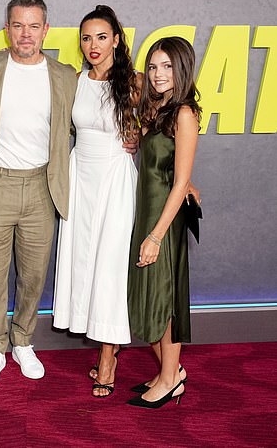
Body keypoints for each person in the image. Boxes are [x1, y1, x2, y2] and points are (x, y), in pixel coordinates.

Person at [0, 0, 77, 387]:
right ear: (7, 29)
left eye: (34, 26)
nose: (26, 33)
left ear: (46, 30)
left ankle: (23, 341)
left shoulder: (65, 75)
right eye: (18, 25)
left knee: (33, 275)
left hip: (41, 185)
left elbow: (84, 122)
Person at [52, 5, 140, 398]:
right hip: (79, 176)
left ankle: (108, 356)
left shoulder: (135, 83)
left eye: (101, 37)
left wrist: (139, 138)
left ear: (116, 40)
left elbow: (169, 124)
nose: (93, 45)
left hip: (115, 177)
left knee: (110, 265)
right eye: (86, 38)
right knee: (82, 261)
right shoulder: (74, 80)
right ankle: (102, 339)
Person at [126, 36, 201, 408]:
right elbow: (131, 74)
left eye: (167, 66)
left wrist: (156, 236)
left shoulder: (184, 113)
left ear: (182, 68)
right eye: (154, 66)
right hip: (147, 213)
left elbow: (179, 181)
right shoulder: (158, 109)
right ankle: (169, 373)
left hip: (163, 222)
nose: (157, 74)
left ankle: (171, 379)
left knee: (164, 302)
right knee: (150, 298)